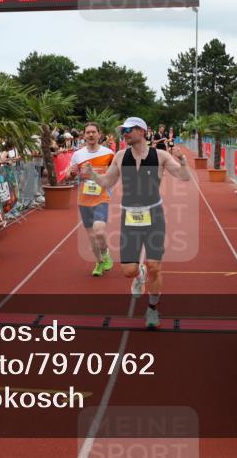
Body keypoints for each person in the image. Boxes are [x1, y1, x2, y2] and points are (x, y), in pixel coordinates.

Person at [89, 116, 191, 328]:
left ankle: (152, 310)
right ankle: (139, 274)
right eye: (123, 130)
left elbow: (184, 177)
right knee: (129, 271)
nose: (124, 133)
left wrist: (182, 160)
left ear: (141, 131)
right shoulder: (120, 156)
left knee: (154, 266)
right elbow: (107, 182)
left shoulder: (160, 156)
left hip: (154, 215)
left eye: (128, 130)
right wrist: (91, 175)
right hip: (129, 216)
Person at [67, 122, 115, 277]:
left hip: (102, 196)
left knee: (99, 231)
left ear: (99, 134)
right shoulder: (78, 155)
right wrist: (72, 173)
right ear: (84, 135)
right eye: (88, 132)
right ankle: (99, 263)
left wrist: (108, 184)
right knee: (91, 235)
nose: (91, 135)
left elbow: (115, 174)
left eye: (94, 132)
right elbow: (69, 175)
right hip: (84, 198)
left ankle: (105, 254)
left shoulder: (109, 153)